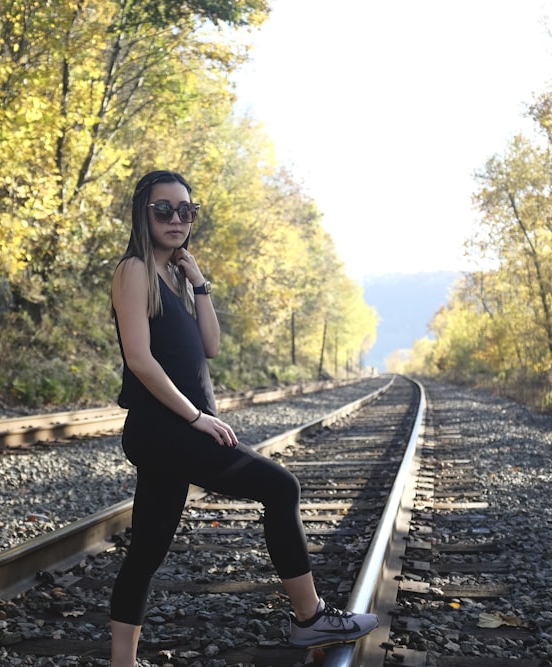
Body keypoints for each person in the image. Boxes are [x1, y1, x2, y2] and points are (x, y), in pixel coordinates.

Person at [108, 170, 378, 664]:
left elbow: (209, 347)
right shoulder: (134, 271)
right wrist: (196, 419)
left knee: (147, 549)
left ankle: (121, 662)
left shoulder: (174, 275)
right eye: (163, 209)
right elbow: (140, 360)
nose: (176, 219)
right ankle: (309, 618)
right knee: (281, 488)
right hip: (165, 427)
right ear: (142, 213)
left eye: (185, 210)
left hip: (169, 431)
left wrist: (199, 283)